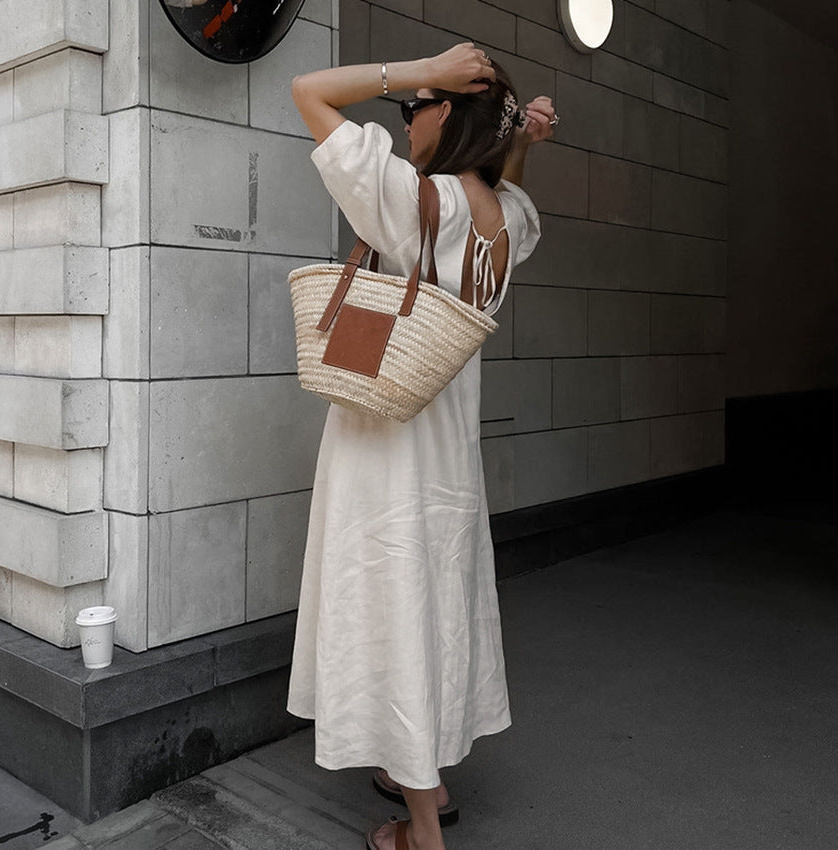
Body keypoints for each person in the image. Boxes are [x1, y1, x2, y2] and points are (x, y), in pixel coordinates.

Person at [286, 43, 556, 850]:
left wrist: (416, 68)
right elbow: (498, 191)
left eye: (417, 107)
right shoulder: (512, 219)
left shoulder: (410, 201)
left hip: (384, 454)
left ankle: (423, 832)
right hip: (449, 461)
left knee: (392, 615)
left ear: (450, 113)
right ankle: (422, 774)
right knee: (432, 611)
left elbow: (308, 91)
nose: (405, 119)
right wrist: (512, 143)